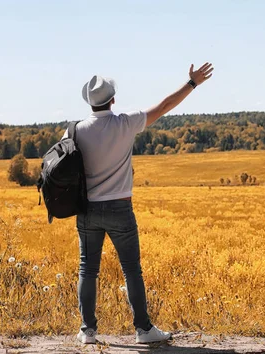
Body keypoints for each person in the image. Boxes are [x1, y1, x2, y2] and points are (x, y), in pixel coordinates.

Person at [68, 63, 214, 344]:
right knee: (131, 269)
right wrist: (191, 84)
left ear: (89, 101)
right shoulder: (125, 122)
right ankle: (143, 330)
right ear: (113, 99)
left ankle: (88, 331)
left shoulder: (75, 130)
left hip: (87, 210)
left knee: (88, 269)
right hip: (120, 209)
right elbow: (164, 106)